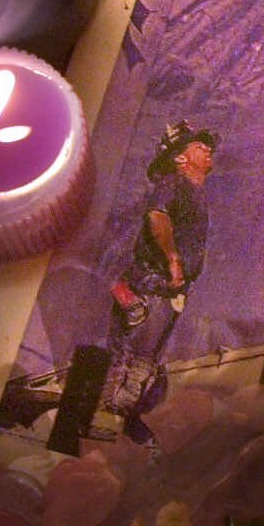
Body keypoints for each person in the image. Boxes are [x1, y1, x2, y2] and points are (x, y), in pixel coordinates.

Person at [96, 120, 216, 439]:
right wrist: (173, 259)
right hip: (152, 285)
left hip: (168, 292)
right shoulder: (173, 183)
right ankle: (103, 425)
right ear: (179, 157)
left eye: (207, 145)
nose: (207, 149)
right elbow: (158, 217)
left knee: (143, 363)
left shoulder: (194, 192)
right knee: (130, 362)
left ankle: (115, 428)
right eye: (198, 145)